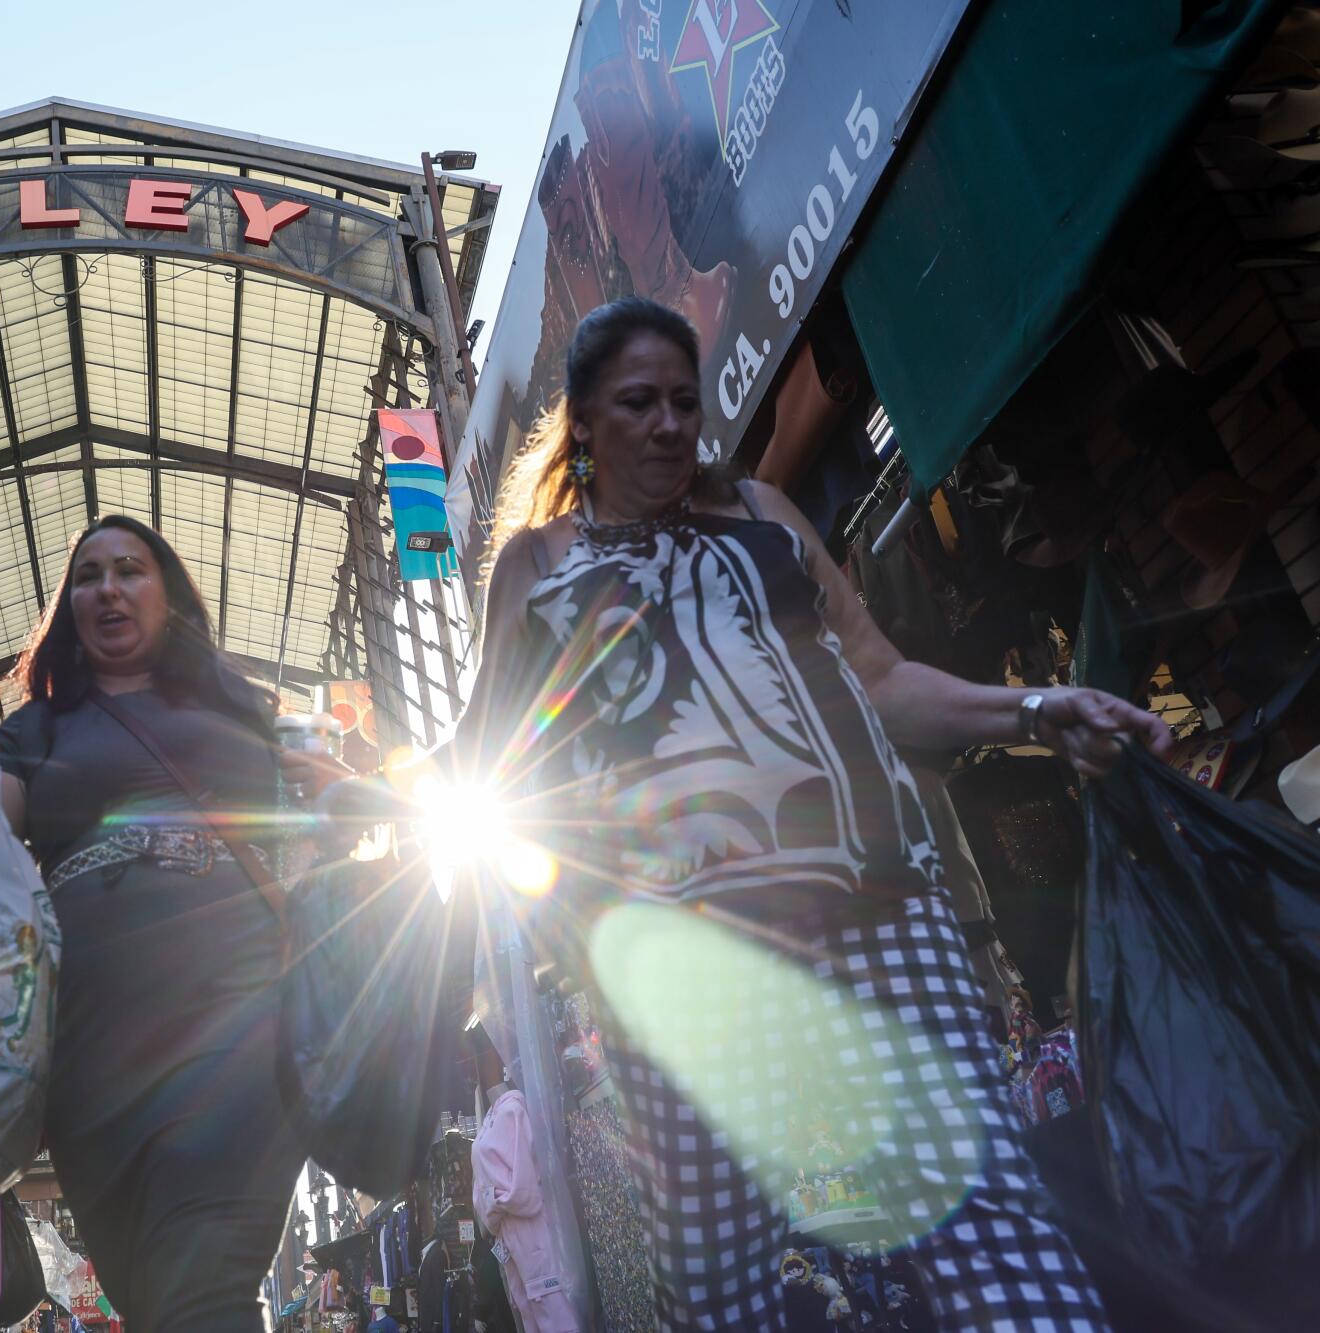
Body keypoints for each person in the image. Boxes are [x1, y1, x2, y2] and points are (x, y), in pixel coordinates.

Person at [462, 297, 1172, 1333]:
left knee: (986, 1221)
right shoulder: (536, 565)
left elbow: (882, 677)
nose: (668, 424)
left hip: (881, 908)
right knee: (720, 1285)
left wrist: (1033, 709)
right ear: (584, 424)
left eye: (683, 402)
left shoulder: (760, 513)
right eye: (637, 403)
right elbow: (491, 763)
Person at [0, 515, 346, 1331]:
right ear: (70, 608)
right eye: (88, 576)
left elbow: (320, 824)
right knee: (153, 1296)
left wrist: (338, 788)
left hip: (238, 1027)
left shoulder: (240, 711)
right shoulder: (39, 728)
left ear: (168, 594)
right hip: (91, 1057)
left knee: (203, 1290)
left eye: (130, 569)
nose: (108, 588)